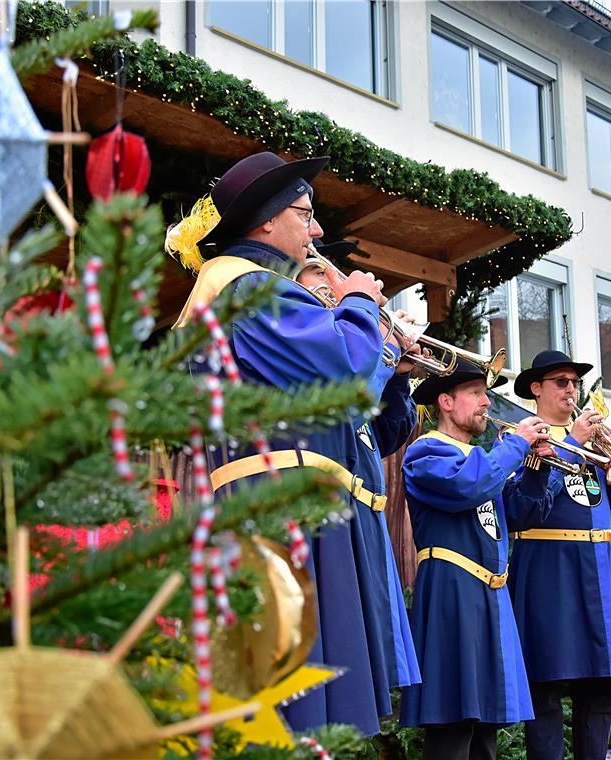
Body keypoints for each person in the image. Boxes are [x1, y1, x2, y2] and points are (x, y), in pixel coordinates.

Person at [172, 151, 391, 735]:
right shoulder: (250, 289)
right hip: (287, 506)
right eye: (306, 213)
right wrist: (360, 303)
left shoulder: (226, 289)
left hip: (261, 499)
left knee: (288, 705)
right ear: (266, 221)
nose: (317, 230)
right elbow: (346, 369)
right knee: (302, 711)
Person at [401, 363, 554, 760]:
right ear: (446, 402)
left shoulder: (485, 460)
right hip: (452, 593)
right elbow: (467, 486)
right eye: (475, 392)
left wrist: (536, 469)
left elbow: (519, 514)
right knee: (453, 726)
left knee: (485, 728)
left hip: (489, 598)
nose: (487, 402)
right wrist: (517, 445)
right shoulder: (425, 451)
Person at [295, 245, 423, 715]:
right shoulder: (317, 351)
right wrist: (386, 349)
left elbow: (383, 433)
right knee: (342, 677)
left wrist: (397, 377)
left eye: (335, 291)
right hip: (333, 520)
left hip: (365, 529)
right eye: (322, 288)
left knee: (366, 677)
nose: (333, 298)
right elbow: (346, 402)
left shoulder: (354, 354)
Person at [505, 350, 611, 760]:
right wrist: (572, 443)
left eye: (574, 383)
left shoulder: (592, 440)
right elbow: (520, 508)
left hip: (600, 572)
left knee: (599, 688)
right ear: (536, 388)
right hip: (549, 569)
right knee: (546, 687)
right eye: (561, 382)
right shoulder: (521, 435)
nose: (571, 390)